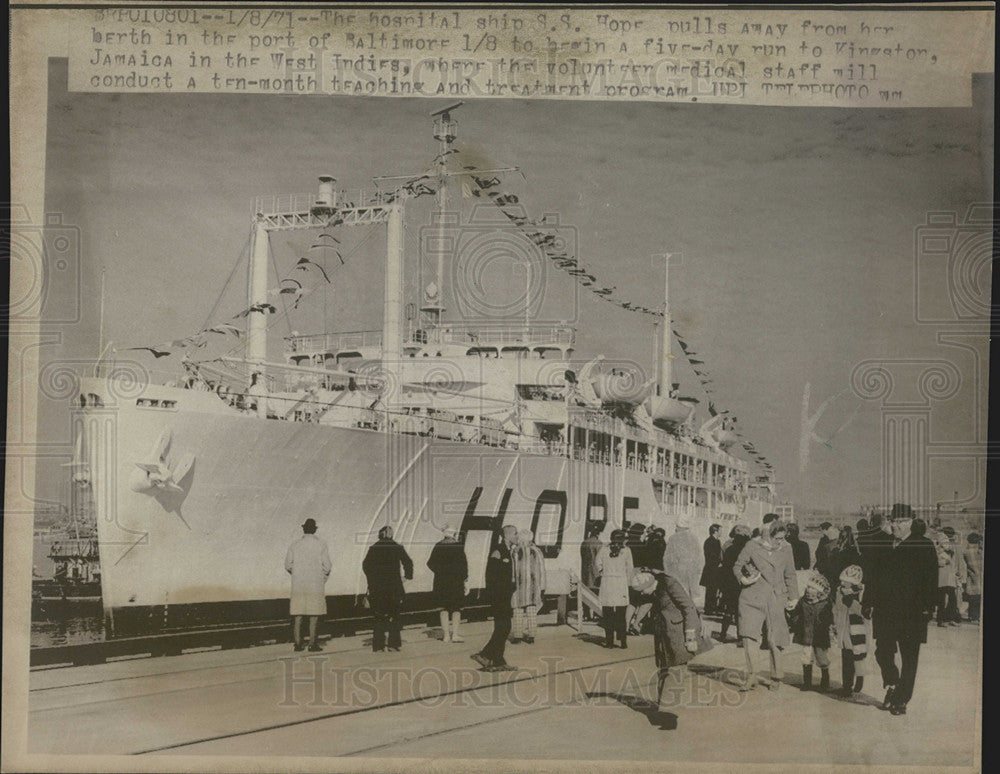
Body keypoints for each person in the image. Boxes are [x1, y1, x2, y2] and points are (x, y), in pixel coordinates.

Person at [864, 504, 938, 716]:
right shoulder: (884, 545)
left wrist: (928, 607)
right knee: (883, 652)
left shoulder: (923, 545)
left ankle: (901, 700)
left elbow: (931, 579)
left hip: (912, 613)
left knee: (909, 657)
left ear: (910, 523)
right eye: (892, 521)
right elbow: (873, 576)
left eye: (899, 522)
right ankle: (893, 684)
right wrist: (867, 601)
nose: (894, 526)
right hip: (885, 610)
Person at [630, 567, 711, 730]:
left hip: (680, 633)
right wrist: (636, 622)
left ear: (650, 584)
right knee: (665, 671)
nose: (642, 594)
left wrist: (691, 636)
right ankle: (663, 709)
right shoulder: (654, 588)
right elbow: (649, 604)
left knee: (675, 673)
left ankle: (669, 716)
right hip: (664, 634)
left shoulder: (669, 584)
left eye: (643, 591)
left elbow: (688, 607)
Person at [734, 519, 799, 691]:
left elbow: (790, 574)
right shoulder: (752, 546)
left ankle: (776, 676)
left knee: (774, 638)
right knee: (748, 637)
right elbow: (738, 566)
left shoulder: (786, 548)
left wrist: (794, 597)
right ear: (767, 535)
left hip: (776, 597)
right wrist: (744, 578)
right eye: (777, 538)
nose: (780, 541)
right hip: (752, 596)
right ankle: (751, 675)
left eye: (783, 537)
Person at [362, 525, 414, 653]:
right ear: (389, 534)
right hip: (394, 587)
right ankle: (393, 644)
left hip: (378, 588)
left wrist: (372, 580)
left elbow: (366, 566)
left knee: (379, 617)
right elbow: (408, 562)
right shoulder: (397, 547)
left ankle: (378, 646)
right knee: (394, 616)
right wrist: (407, 577)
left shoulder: (373, 548)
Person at [473, 525, 518, 670]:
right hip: (499, 596)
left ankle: (497, 660)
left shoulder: (509, 551)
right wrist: (494, 594)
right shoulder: (498, 551)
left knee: (504, 627)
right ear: (507, 535)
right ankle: (485, 655)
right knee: (503, 627)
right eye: (515, 534)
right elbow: (491, 576)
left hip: (506, 595)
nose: (517, 536)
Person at [284, 518, 332, 652]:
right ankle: (312, 644)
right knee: (314, 614)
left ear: (303, 529)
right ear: (315, 529)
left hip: (298, 584)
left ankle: (298, 644)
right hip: (315, 584)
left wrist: (298, 573)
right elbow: (327, 566)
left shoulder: (295, 544)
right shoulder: (321, 544)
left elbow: (288, 565)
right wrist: (321, 578)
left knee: (298, 614)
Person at [788, 571, 834, 692]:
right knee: (806, 657)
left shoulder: (825, 604)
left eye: (813, 588)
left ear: (820, 591)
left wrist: (829, 628)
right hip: (806, 635)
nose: (809, 590)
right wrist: (792, 615)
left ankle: (825, 680)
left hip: (820, 636)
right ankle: (807, 682)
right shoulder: (803, 601)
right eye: (808, 587)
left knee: (822, 658)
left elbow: (829, 619)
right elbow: (797, 614)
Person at [426, 524, 468, 643]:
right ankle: (454, 634)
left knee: (443, 609)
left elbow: (430, 563)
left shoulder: (438, 546)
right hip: (456, 582)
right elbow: (463, 565)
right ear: (454, 534)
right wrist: (464, 580)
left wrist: (441, 572)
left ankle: (446, 636)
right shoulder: (458, 546)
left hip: (441, 582)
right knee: (456, 609)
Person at [832, 565, 868, 698]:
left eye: (845, 581)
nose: (842, 583)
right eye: (841, 581)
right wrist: (835, 623)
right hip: (844, 630)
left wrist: (851, 601)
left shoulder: (860, 593)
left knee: (858, 656)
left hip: (857, 631)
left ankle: (860, 677)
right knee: (846, 658)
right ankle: (846, 686)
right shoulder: (838, 591)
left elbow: (862, 612)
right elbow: (836, 608)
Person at [595, 529, 635, 648]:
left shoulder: (604, 549)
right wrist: (627, 579)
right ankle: (623, 641)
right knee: (621, 614)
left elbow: (598, 563)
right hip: (620, 583)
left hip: (608, 582)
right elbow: (630, 568)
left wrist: (603, 572)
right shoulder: (626, 551)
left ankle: (609, 642)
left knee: (607, 614)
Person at [718, 525, 752, 644]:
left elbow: (723, 564)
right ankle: (740, 637)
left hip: (728, 583)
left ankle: (722, 634)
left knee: (729, 610)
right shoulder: (745, 552)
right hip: (741, 583)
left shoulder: (729, 549)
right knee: (740, 611)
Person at [511, 530, 546, 644]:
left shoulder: (515, 551)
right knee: (531, 611)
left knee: (518, 611)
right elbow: (542, 569)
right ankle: (531, 636)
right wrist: (542, 586)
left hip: (518, 585)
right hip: (533, 586)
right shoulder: (536, 551)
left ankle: (517, 636)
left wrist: (511, 582)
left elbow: (512, 569)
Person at [663, 513, 702, 606]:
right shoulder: (694, 538)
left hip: (676, 574)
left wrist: (667, 574)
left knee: (676, 599)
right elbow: (699, 559)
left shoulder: (673, 538)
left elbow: (667, 559)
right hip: (691, 575)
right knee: (689, 600)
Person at [934, 526, 962, 627]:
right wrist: (944, 561)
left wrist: (956, 572)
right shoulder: (938, 547)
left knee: (952, 598)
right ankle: (940, 620)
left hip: (949, 575)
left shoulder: (949, 547)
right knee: (942, 599)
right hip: (942, 575)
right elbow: (936, 561)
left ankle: (950, 618)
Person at [579, 522, 604, 621]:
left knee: (586, 593)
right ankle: (596, 613)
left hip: (585, 571)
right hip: (596, 572)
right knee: (596, 593)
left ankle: (586, 614)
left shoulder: (584, 543)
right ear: (598, 533)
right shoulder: (599, 544)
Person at [700, 524, 723, 616]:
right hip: (711, 569)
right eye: (720, 530)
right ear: (715, 531)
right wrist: (719, 562)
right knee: (711, 589)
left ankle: (711, 607)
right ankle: (709, 608)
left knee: (713, 589)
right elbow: (711, 556)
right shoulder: (710, 541)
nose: (721, 532)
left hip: (714, 569)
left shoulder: (716, 541)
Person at [963, 533, 983, 623]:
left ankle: (972, 616)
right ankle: (975, 616)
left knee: (973, 597)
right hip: (978, 576)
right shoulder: (977, 551)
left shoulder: (967, 551)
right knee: (977, 598)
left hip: (971, 577)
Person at [814, 522, 841, 589]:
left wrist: (818, 564)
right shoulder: (838, 540)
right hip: (833, 568)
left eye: (822, 530)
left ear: (825, 530)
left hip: (825, 568)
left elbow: (818, 553)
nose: (821, 532)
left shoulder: (824, 540)